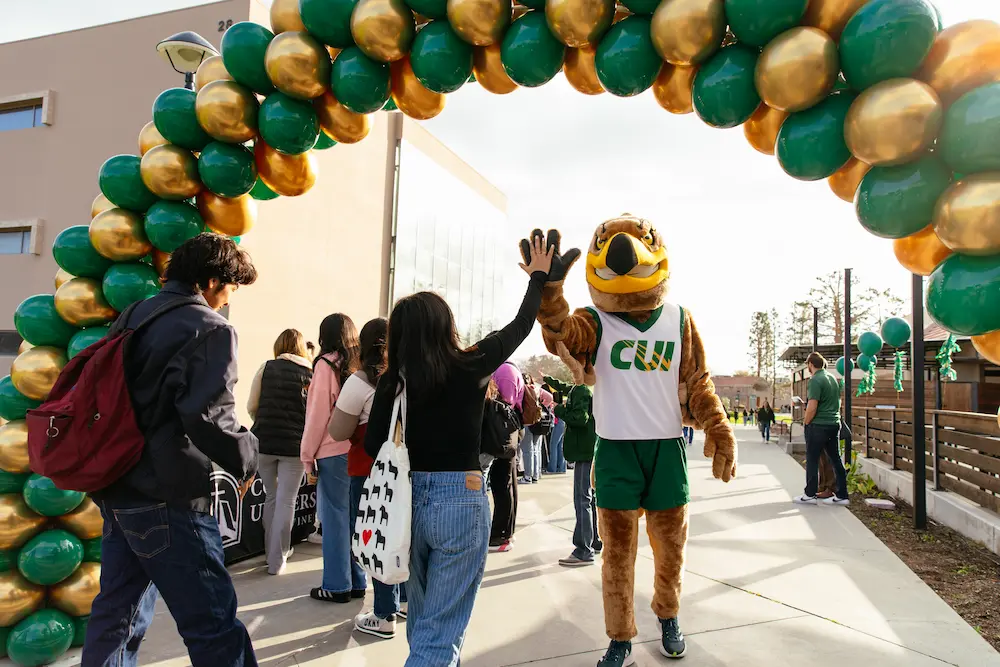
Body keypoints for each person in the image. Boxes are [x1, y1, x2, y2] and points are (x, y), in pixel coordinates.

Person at [363, 235, 551, 667]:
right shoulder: (471, 364)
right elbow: (522, 324)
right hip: (459, 501)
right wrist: (538, 276)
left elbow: (375, 445)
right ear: (445, 325)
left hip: (407, 502)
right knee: (440, 631)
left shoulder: (395, 381)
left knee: (425, 623)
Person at [83, 233, 259, 667]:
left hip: (118, 483)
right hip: (169, 496)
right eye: (232, 287)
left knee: (116, 617)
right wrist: (248, 457)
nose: (228, 299)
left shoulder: (135, 314)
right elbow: (208, 416)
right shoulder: (211, 328)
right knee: (213, 624)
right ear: (214, 281)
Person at [325, 318, 409, 638]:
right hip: (405, 471)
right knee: (402, 532)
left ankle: (384, 614)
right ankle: (403, 602)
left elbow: (338, 430)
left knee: (374, 538)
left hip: (367, 470)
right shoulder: (408, 376)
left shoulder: (359, 381)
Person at [302, 314, 363, 602]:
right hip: (356, 450)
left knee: (334, 519)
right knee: (353, 518)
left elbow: (316, 416)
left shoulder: (326, 364)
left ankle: (337, 584)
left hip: (331, 451)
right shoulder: (359, 363)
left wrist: (306, 455)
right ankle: (357, 580)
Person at [247, 329, 312, 576]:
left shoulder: (266, 367)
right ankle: (278, 558)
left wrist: (262, 420)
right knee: (287, 500)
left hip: (263, 442)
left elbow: (252, 404)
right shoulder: (310, 374)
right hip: (294, 447)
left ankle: (269, 553)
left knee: (271, 497)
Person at [550, 381, 601, 566]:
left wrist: (559, 409)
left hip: (583, 451)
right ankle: (593, 541)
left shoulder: (581, 389)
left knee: (582, 499)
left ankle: (583, 549)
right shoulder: (587, 386)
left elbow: (580, 418)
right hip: (589, 449)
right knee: (589, 498)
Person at [794, 352, 850, 506]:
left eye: (808, 366)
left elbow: (813, 406)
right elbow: (834, 402)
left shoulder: (815, 380)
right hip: (834, 424)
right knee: (836, 459)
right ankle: (842, 495)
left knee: (812, 459)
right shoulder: (832, 378)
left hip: (818, 426)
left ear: (811, 364)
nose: (808, 369)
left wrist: (806, 422)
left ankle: (809, 494)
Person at [490, 361, 525, 553]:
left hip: (505, 430)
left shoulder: (504, 371)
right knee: (505, 482)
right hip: (507, 430)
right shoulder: (506, 369)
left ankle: (501, 534)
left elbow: (504, 405)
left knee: (503, 482)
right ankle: (504, 531)